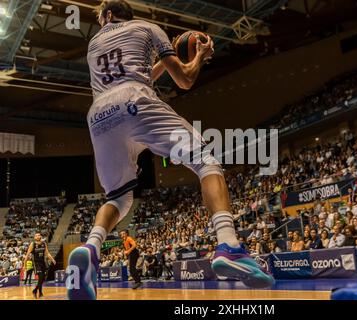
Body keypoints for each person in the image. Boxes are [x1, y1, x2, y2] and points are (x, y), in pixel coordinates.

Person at [67, 0, 273, 300]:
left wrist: (162, 62)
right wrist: (199, 55)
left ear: (109, 15)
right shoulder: (149, 28)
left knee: (118, 196)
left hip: (99, 116)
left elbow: (135, 74)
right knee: (205, 161)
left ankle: (91, 247)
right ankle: (228, 244)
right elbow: (185, 80)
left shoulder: (94, 43)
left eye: (101, 16)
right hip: (136, 102)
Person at [23, 233, 56, 299]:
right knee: (40, 276)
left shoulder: (44, 244)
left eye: (39, 235)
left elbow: (47, 253)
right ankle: (37, 292)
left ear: (41, 236)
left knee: (43, 278)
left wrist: (52, 259)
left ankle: (37, 291)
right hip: (36, 263)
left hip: (43, 263)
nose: (38, 236)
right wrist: (24, 265)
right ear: (34, 238)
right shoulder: (33, 244)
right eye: (36, 235)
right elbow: (27, 255)